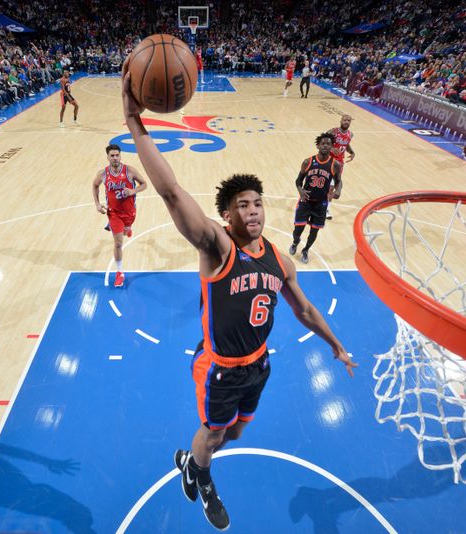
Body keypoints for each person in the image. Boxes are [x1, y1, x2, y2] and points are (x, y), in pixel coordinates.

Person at [121, 65, 356, 531]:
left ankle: (195, 459)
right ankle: (199, 472)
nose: (252, 211)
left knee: (237, 431)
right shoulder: (217, 247)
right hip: (219, 369)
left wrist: (334, 342)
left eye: (257, 203)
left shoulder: (278, 260)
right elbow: (169, 192)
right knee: (213, 433)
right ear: (226, 216)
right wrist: (133, 121)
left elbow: (305, 309)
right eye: (242, 205)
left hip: (258, 364)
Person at [92, 143, 147, 288]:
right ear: (108, 157)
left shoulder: (130, 170)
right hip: (114, 213)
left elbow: (144, 184)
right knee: (118, 243)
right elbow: (95, 185)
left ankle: (127, 228)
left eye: (117, 155)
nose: (115, 158)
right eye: (112, 156)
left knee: (125, 231)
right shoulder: (103, 174)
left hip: (129, 212)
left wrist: (132, 191)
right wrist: (97, 204)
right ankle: (120, 272)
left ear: (120, 156)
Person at [289, 132, 341, 264]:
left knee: (314, 232)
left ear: (331, 147)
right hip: (305, 202)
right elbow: (298, 181)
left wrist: (338, 190)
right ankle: (296, 242)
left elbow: (339, 181)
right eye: (323, 143)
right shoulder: (308, 162)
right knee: (297, 230)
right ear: (318, 146)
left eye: (328, 144)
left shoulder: (335, 165)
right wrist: (300, 190)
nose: (325, 146)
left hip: (321, 204)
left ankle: (306, 250)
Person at [326, 114, 355, 219]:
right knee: (323, 186)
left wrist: (352, 152)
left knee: (331, 187)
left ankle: (326, 210)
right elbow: (321, 143)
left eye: (348, 120)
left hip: (339, 162)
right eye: (344, 120)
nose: (346, 122)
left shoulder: (350, 134)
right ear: (340, 120)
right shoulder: (332, 132)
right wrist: (330, 148)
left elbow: (346, 145)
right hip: (328, 160)